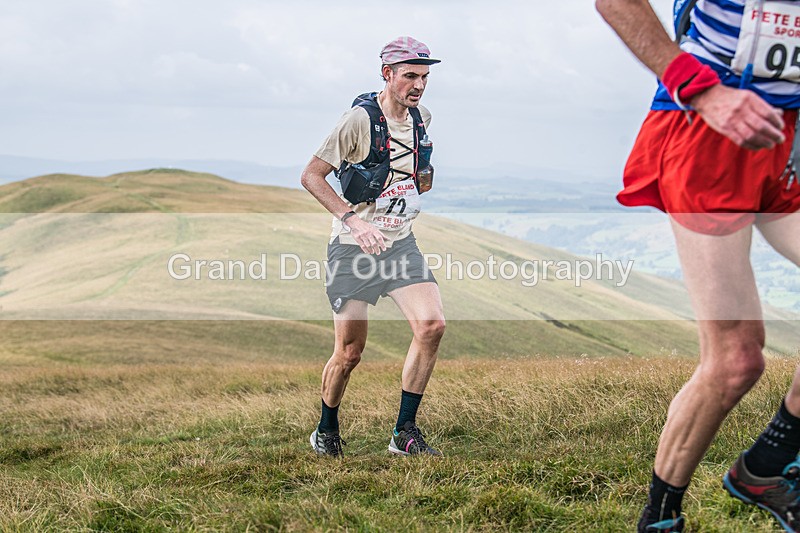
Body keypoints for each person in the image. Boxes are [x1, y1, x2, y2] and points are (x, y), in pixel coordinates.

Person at [596, 0, 800, 531]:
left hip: (789, 133)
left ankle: (767, 466)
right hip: (707, 131)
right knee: (736, 360)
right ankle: (660, 518)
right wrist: (702, 88)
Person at [300, 36, 445, 458]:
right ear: (388, 74)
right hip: (352, 247)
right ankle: (326, 430)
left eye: (424, 77)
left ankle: (404, 433)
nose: (418, 86)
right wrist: (352, 220)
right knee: (349, 353)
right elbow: (311, 175)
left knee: (432, 326)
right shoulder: (357, 121)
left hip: (399, 243)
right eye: (410, 76)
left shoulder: (422, 118)